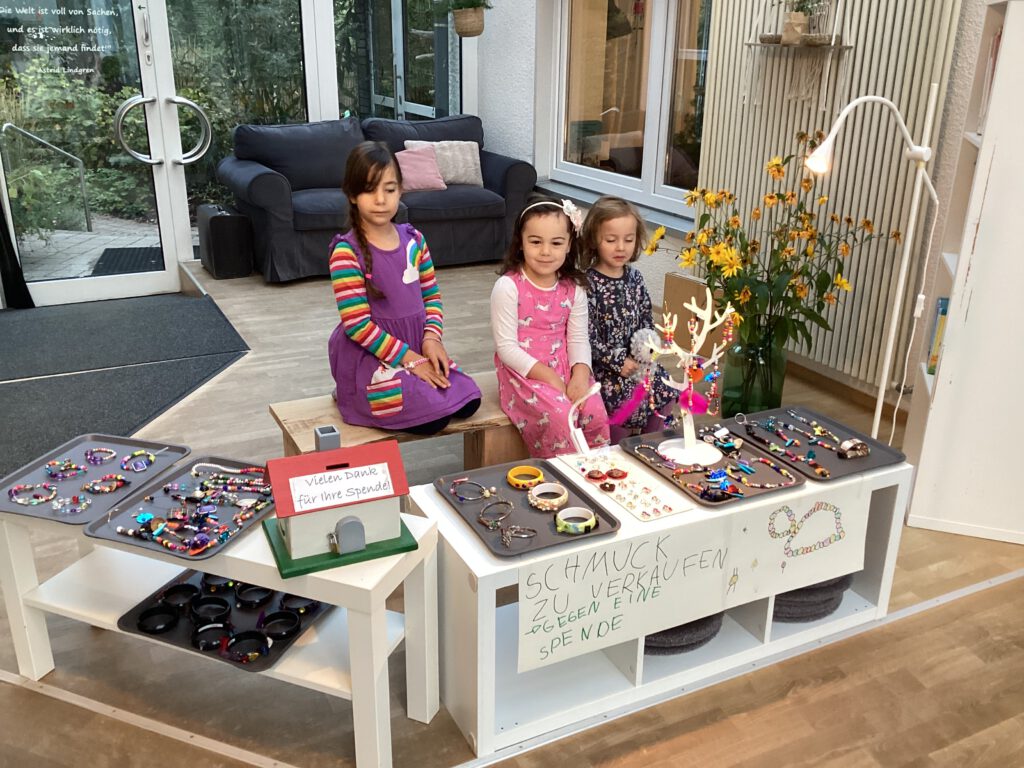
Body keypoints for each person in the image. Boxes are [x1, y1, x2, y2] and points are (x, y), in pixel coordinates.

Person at [328, 141, 481, 434]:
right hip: (372, 354)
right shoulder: (346, 252)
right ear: (351, 194)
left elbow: (432, 298)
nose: (380, 199)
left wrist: (431, 341)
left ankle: (414, 384)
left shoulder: (414, 240)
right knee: (432, 418)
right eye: (369, 189)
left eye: (389, 189)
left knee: (468, 399)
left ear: (401, 190)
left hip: (416, 346)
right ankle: (349, 392)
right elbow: (357, 326)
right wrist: (412, 361)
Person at [490, 194, 610, 457]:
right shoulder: (508, 287)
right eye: (535, 242)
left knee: (596, 414)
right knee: (560, 417)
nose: (546, 252)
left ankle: (597, 475)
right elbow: (507, 348)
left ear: (569, 245)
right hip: (525, 372)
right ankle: (560, 478)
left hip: (566, 365)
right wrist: (550, 377)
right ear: (521, 243)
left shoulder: (574, 288)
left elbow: (579, 339)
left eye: (556, 243)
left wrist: (580, 375)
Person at [581, 196, 677, 442]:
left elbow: (646, 319)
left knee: (664, 385)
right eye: (611, 240)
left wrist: (646, 351)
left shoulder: (635, 278)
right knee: (618, 397)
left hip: (637, 361)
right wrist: (618, 362)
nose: (621, 247)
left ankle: (650, 441)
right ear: (594, 240)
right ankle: (616, 447)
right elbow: (586, 336)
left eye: (629, 240)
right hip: (605, 368)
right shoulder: (587, 284)